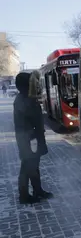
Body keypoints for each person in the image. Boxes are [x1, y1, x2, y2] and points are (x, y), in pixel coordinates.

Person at [14, 71, 53, 204]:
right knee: (27, 166)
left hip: (31, 138)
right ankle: (24, 195)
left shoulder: (26, 98)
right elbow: (33, 118)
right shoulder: (24, 100)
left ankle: (38, 190)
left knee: (33, 165)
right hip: (29, 139)